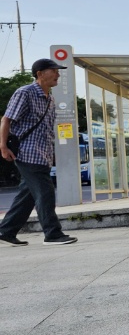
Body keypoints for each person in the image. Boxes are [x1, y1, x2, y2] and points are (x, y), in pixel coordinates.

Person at [0, 58, 76, 247]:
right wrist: (2, 146)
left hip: (43, 154)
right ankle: (52, 234)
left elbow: (47, 130)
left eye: (58, 71)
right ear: (40, 73)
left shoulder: (50, 98)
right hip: (26, 153)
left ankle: (6, 230)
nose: (58, 74)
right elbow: (6, 119)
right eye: (54, 70)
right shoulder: (25, 92)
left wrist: (52, 153)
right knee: (45, 192)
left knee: (27, 196)